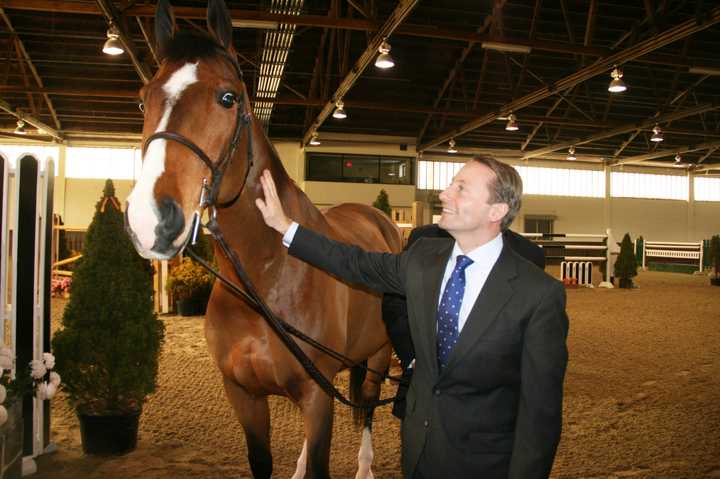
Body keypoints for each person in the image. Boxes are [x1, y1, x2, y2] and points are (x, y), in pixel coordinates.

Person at [256, 155, 569, 479]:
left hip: (486, 465)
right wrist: (286, 227)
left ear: (496, 211)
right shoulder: (423, 258)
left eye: (460, 188)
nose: (444, 194)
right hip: (418, 455)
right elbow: (355, 262)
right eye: (450, 185)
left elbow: (540, 416)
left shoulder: (539, 295)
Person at [384, 223, 545, 419]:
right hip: (424, 397)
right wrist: (414, 357)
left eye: (464, 190)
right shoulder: (425, 239)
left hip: (491, 410)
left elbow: (534, 340)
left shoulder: (529, 255)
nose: (447, 196)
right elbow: (395, 303)